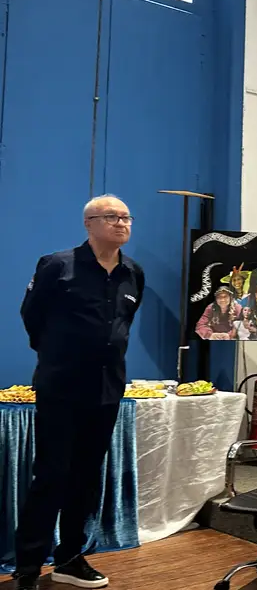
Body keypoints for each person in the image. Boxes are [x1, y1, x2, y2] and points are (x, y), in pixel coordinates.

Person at [14, 195, 145, 590]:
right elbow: (32, 316)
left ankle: (70, 558)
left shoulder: (133, 272)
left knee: (86, 479)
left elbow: (124, 322)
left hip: (107, 391)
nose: (121, 223)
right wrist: (58, 355)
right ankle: (27, 568)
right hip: (62, 388)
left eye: (126, 217)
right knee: (50, 476)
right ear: (89, 224)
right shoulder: (58, 265)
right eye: (111, 217)